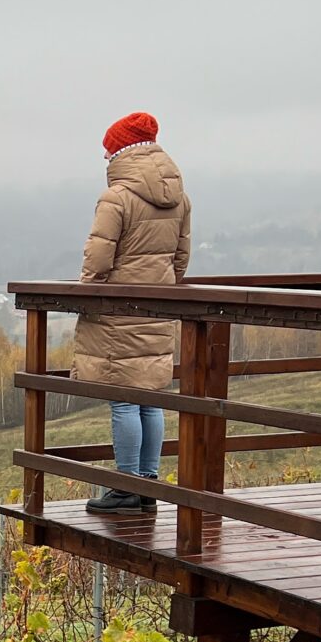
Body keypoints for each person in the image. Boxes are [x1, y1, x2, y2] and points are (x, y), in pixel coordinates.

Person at [70, 111, 191, 513]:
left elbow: (98, 258)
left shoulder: (116, 198)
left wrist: (90, 293)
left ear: (121, 151)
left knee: (122, 399)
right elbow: (180, 259)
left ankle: (123, 487)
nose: (106, 159)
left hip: (117, 314)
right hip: (157, 308)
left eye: (108, 152)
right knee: (149, 399)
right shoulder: (180, 198)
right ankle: (147, 485)